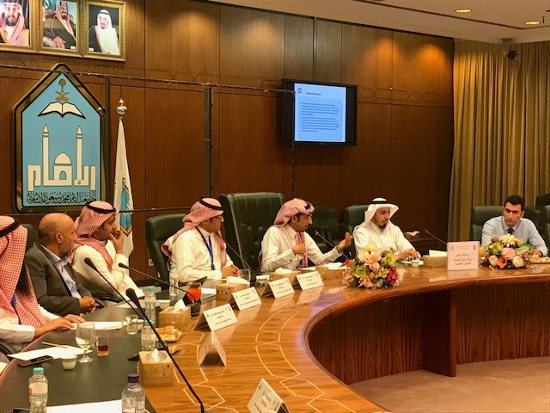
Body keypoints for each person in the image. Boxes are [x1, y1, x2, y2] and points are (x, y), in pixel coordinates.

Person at [0, 216, 84, 371]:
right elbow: (2, 328)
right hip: (8, 354)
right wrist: (39, 330)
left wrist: (59, 320)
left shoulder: (10, 274)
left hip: (29, 345)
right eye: (17, 245)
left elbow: (31, 305)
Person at [25, 213, 97, 317]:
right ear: (59, 237)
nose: (75, 238)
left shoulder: (62, 255)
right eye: (73, 233)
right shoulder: (34, 259)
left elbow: (77, 286)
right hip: (63, 319)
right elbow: (40, 301)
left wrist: (88, 300)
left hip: (84, 315)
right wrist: (78, 304)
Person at [71, 201, 142, 300]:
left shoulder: (106, 243)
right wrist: (119, 252)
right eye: (111, 222)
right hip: (113, 304)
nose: (115, 226)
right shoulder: (85, 252)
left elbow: (123, 278)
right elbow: (113, 287)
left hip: (131, 298)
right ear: (97, 226)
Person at [260, 198, 352, 272]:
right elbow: (266, 266)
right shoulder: (274, 232)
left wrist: (338, 248)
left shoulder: (303, 235)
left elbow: (319, 260)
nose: (310, 222)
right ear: (294, 218)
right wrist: (292, 252)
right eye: (306, 217)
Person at [162, 198, 239, 283]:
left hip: (215, 285)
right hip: (192, 288)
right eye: (218, 217)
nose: (222, 220)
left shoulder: (214, 236)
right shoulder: (186, 239)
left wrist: (233, 270)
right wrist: (219, 274)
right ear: (205, 220)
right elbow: (184, 275)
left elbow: (226, 263)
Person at [353, 197, 418, 260]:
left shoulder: (394, 229)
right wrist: (398, 257)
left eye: (388, 212)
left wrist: (412, 253)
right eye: (383, 213)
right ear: (372, 214)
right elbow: (366, 259)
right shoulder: (361, 232)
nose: (387, 217)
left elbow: (407, 248)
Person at [481, 194, 547, 256]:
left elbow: (543, 248)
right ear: (503, 211)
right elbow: (486, 250)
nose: (510, 216)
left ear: (522, 214)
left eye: (515, 212)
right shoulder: (491, 225)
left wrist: (536, 252)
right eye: (508, 211)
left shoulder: (528, 225)